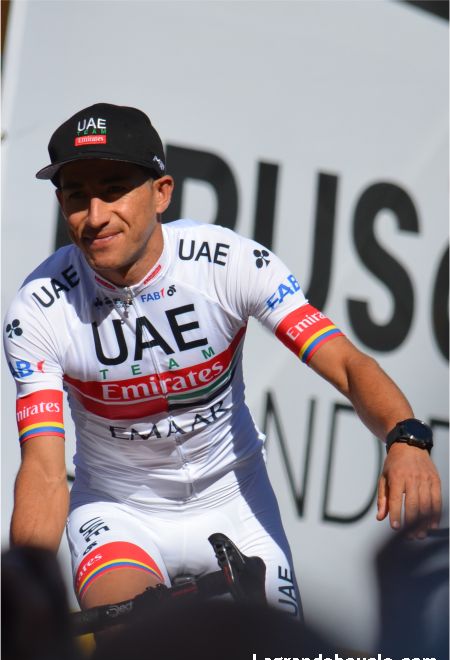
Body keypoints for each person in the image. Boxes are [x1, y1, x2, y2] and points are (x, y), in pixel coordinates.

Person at [4, 103, 441, 620]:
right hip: (119, 512)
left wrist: (405, 435)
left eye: (114, 190)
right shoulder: (40, 308)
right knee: (140, 651)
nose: (95, 216)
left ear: (161, 192)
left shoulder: (226, 264)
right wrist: (23, 593)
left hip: (234, 501)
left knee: (275, 658)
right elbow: (45, 470)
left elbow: (345, 363)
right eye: (77, 196)